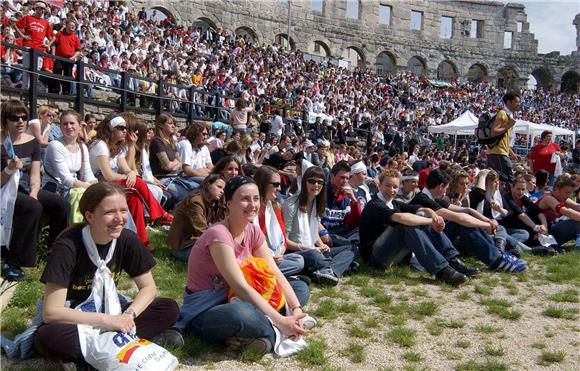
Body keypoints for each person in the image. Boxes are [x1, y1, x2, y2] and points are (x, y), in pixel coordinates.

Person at [33, 183, 183, 367]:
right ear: (89, 216)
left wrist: (128, 315)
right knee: (46, 337)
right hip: (76, 317)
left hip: (113, 310)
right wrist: (108, 321)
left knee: (169, 308)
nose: (119, 219)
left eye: (123, 210)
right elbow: (51, 312)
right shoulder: (68, 247)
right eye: (109, 212)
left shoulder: (126, 239)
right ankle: (126, 344)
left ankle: (103, 349)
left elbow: (148, 287)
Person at [176, 176, 312, 356]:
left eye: (256, 198)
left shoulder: (252, 230)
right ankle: (273, 332)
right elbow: (240, 287)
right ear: (229, 203)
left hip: (243, 298)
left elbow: (275, 272)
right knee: (240, 313)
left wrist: (296, 309)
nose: (252, 204)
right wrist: (280, 319)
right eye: (245, 199)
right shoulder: (219, 235)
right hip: (210, 308)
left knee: (300, 288)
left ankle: (261, 334)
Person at [359, 170, 477, 285]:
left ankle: (452, 260)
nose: (391, 190)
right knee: (405, 224)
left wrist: (431, 213)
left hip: (392, 255)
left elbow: (418, 208)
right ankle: (441, 270)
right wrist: (431, 221)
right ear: (379, 185)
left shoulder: (394, 203)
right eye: (387, 186)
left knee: (418, 217)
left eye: (395, 187)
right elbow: (401, 218)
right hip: (374, 259)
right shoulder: (375, 204)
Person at [1, 100, 69, 281]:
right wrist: (9, 169)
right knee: (32, 207)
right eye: (14, 118)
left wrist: (34, 191)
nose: (21, 122)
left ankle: (53, 251)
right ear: (4, 120)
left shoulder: (32, 143)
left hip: (24, 187)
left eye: (24, 117)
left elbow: (35, 175)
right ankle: (13, 261)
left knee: (60, 204)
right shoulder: (1, 143)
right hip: (4, 188)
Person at [410, 169, 528, 273]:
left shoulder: (432, 198)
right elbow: (460, 218)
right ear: (441, 186)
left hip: (434, 239)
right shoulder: (424, 199)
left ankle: (498, 255)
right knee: (461, 223)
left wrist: (489, 220)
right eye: (445, 188)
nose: (445, 191)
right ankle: (497, 259)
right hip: (425, 245)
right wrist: (486, 224)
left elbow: (467, 210)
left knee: (466, 220)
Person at [88, 114, 172, 247]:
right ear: (111, 129)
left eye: (125, 128)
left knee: (135, 200)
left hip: (113, 183)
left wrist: (131, 173)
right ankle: (160, 214)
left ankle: (142, 242)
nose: (125, 131)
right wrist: (129, 175)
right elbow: (108, 175)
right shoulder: (100, 145)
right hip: (99, 184)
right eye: (121, 128)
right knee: (138, 183)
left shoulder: (118, 146)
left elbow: (127, 168)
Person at [282, 166, 357, 286]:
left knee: (351, 249)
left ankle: (328, 271)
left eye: (320, 182)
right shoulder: (290, 204)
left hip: (313, 249)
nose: (316, 185)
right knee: (315, 255)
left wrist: (322, 245)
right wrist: (308, 248)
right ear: (304, 182)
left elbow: (313, 230)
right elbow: (284, 241)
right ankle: (331, 268)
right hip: (296, 251)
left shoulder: (317, 203)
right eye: (311, 181)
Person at [253, 166, 305, 276]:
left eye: (280, 185)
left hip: (275, 255)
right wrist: (268, 257)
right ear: (262, 184)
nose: (279, 189)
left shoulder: (274, 207)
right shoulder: (250, 209)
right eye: (276, 185)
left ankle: (273, 274)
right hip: (256, 258)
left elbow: (283, 238)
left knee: (299, 260)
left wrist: (279, 254)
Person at [167, 174, 226, 261]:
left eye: (223, 189)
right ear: (208, 184)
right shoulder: (195, 201)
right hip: (182, 247)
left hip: (194, 242)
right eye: (219, 187)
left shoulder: (210, 202)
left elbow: (220, 224)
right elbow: (202, 230)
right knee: (219, 257)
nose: (222, 191)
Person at [42, 110, 97, 195]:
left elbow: (88, 173)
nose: (69, 126)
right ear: (60, 127)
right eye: (65, 124)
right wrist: (92, 188)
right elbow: (66, 179)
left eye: (72, 123)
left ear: (79, 126)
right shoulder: (55, 145)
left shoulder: (83, 147)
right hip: (55, 191)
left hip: (74, 189)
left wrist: (95, 185)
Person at [486, 92, 521, 188]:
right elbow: (494, 131)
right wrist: (509, 125)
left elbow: (503, 139)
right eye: (516, 102)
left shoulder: (509, 115)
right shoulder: (503, 113)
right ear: (508, 102)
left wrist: (512, 154)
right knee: (508, 182)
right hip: (498, 154)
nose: (519, 104)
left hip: (499, 153)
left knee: (497, 183)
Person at [536, 175, 580, 249]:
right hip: (542, 233)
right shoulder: (548, 198)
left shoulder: (562, 198)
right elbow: (568, 212)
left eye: (570, 193)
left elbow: (577, 206)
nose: (568, 195)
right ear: (557, 189)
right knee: (576, 222)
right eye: (566, 192)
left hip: (550, 231)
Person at [177, 121, 212, 190]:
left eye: (207, 135)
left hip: (195, 175)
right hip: (183, 176)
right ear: (195, 134)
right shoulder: (185, 144)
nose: (206, 137)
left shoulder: (200, 147)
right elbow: (187, 170)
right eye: (204, 134)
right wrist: (208, 175)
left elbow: (209, 166)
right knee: (210, 183)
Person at [51, 19, 81, 94]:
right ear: (67, 26)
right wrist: (53, 55)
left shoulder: (76, 38)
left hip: (69, 59)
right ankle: (55, 90)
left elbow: (78, 51)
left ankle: (66, 92)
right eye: (71, 25)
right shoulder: (60, 34)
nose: (73, 27)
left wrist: (72, 58)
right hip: (59, 57)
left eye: (74, 26)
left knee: (68, 76)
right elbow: (54, 44)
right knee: (57, 73)